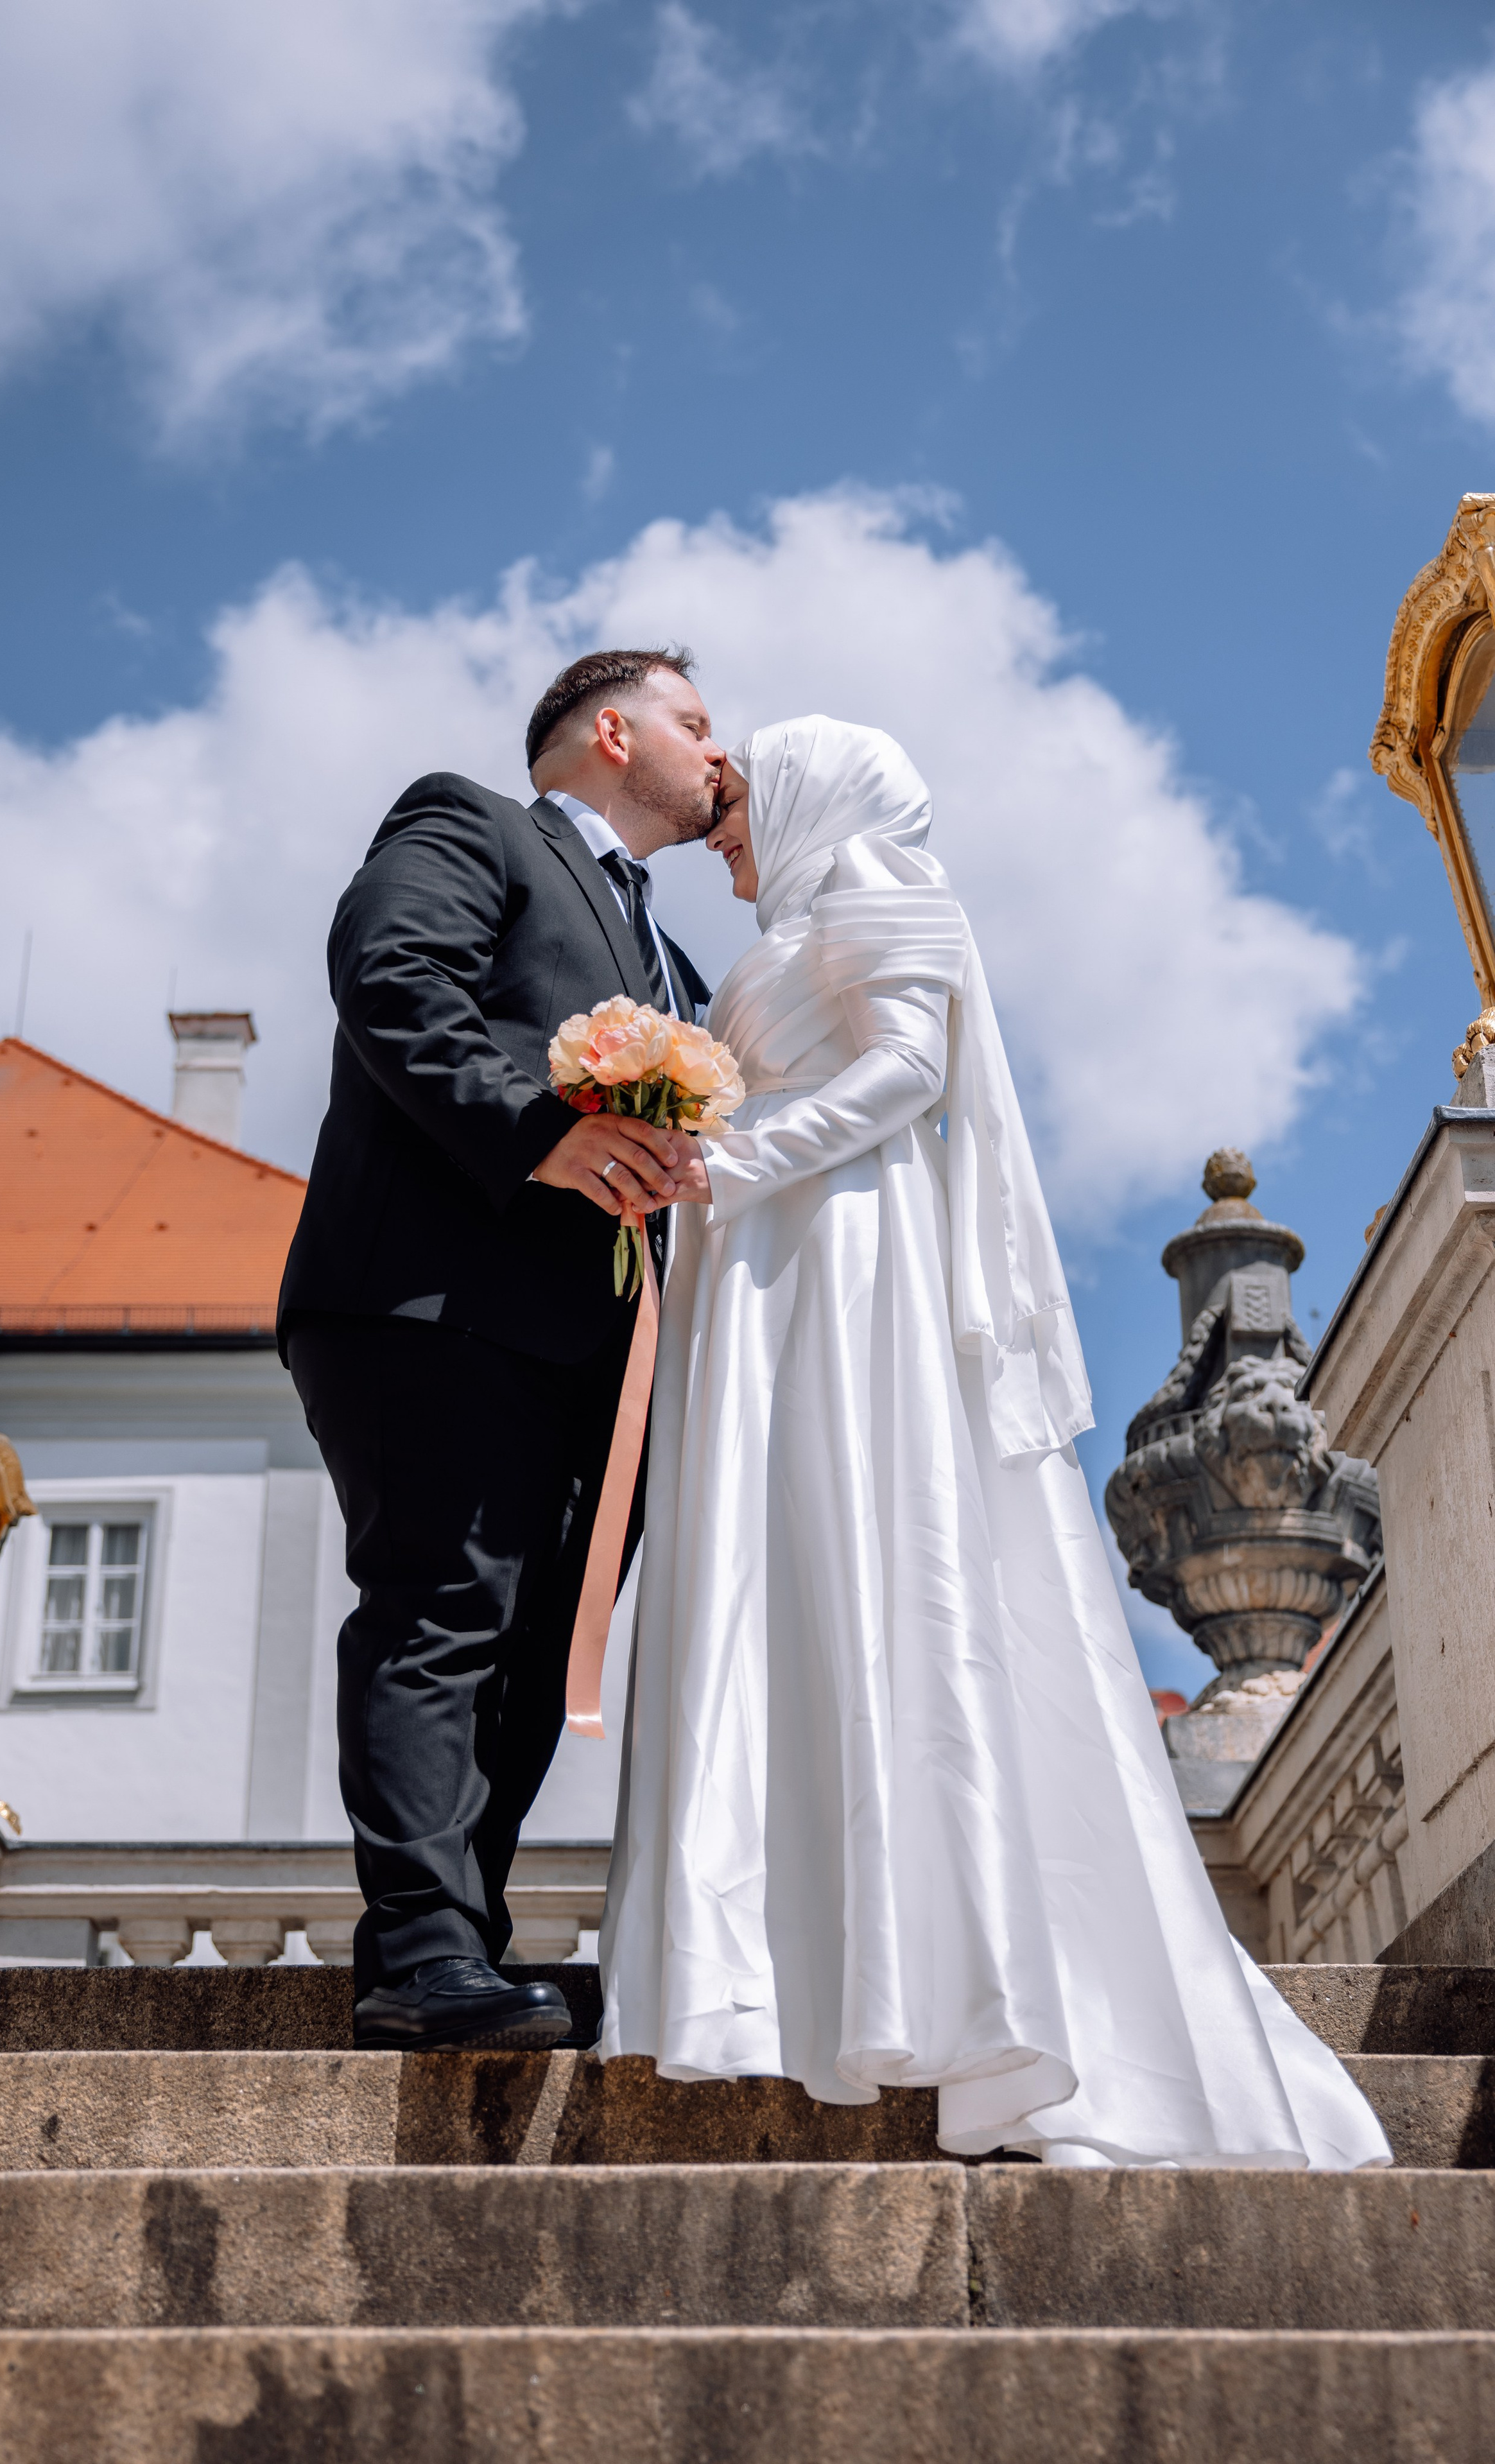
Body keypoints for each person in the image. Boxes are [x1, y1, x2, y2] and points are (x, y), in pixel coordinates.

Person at [600, 715, 1390, 2169]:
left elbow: (905, 1069)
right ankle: (799, 1967)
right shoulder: (811, 909)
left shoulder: (877, 884)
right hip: (772, 1259)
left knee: (858, 1559)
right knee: (782, 1584)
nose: (722, 847)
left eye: (735, 816)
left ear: (810, 795)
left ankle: (939, 1977)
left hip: (840, 1259)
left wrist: (730, 1156)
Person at [281, 648, 714, 2052]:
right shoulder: (471, 820)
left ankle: (462, 1934)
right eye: (692, 722)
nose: (718, 753)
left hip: (604, 1350)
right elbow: (390, 976)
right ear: (608, 728)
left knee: (535, 1645)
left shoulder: (677, 955)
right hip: (435, 1299)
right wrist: (541, 1133)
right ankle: (414, 1951)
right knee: (443, 1608)